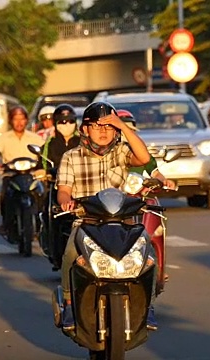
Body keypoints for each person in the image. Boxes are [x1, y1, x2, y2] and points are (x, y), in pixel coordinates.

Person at [56, 102, 154, 331]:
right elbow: (63, 190)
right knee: (71, 253)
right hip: (87, 223)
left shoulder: (121, 152)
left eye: (109, 127)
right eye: (97, 126)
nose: (103, 132)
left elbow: (144, 158)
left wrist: (123, 126)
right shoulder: (71, 156)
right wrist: (66, 202)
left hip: (122, 223)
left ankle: (148, 306)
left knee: (148, 257)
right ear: (85, 130)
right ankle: (70, 304)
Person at [0, 106, 44, 237]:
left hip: (31, 175)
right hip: (11, 175)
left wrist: (42, 167)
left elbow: (43, 153)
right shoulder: (3, 138)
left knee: (42, 194)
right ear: (10, 121)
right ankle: (6, 224)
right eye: (16, 119)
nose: (19, 122)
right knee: (5, 196)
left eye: (22, 119)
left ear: (26, 120)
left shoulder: (35, 138)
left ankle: (42, 223)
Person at [40, 104, 80, 171]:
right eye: (63, 122)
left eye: (71, 121)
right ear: (56, 124)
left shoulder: (83, 142)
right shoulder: (49, 145)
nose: (67, 125)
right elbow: (43, 164)